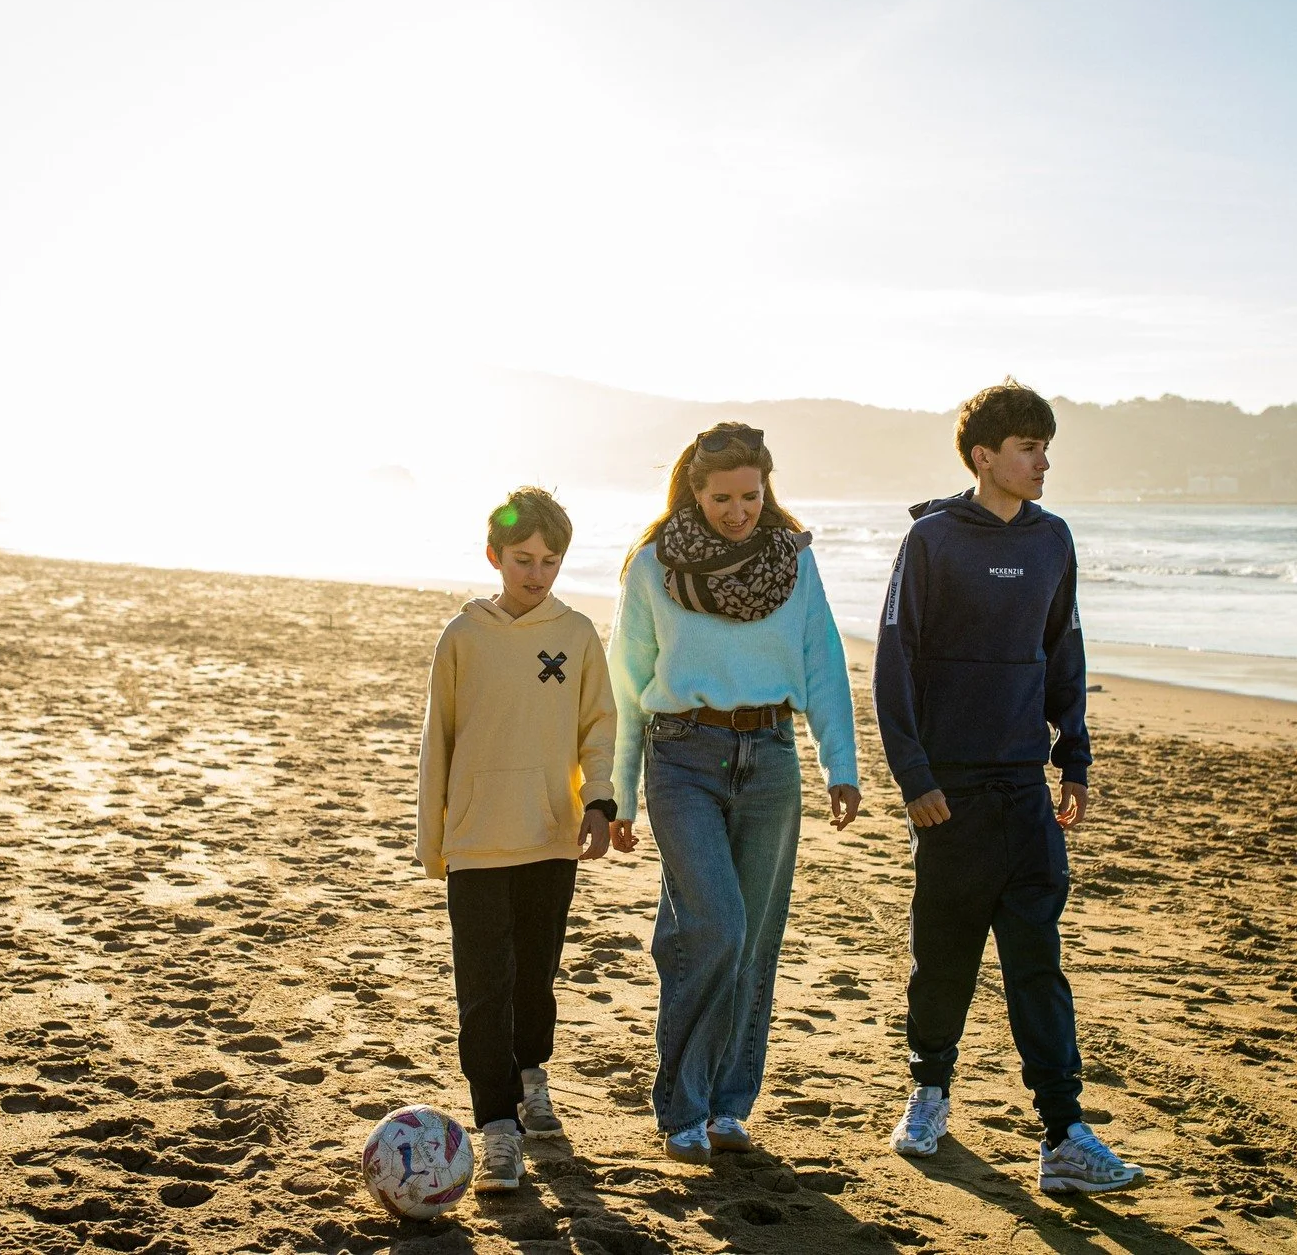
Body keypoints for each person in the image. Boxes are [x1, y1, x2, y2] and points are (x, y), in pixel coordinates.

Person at [872, 381, 1144, 1194]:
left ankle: (1062, 1132)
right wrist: (913, 775)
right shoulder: (931, 541)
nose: (1043, 460)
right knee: (944, 955)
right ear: (984, 456)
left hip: (1027, 786)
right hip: (950, 791)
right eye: (1028, 447)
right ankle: (929, 1089)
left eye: (1046, 446)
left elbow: (1065, 650)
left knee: (1037, 961)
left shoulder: (1054, 540)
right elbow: (894, 664)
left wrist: (1077, 759)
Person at [608, 422, 862, 1164]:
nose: (739, 511)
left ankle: (728, 1103)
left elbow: (821, 660)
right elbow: (627, 685)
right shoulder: (653, 565)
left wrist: (838, 765)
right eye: (722, 498)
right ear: (694, 488)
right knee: (714, 924)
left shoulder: (793, 559)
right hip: (682, 755)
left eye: (750, 496)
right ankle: (681, 1104)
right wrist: (619, 793)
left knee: (753, 940)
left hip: (774, 759)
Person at [416, 487, 619, 1195]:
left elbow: (599, 725)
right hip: (476, 840)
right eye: (523, 559)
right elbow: (435, 742)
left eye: (550, 560)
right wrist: (433, 839)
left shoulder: (578, 633)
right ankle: (496, 1126)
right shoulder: (462, 637)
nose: (536, 573)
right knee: (483, 989)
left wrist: (599, 798)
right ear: (495, 557)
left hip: (548, 836)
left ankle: (533, 1077)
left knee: (535, 978)